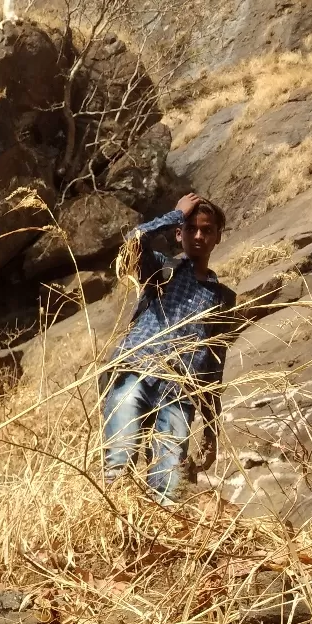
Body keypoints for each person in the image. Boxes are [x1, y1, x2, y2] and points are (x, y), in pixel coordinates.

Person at [102, 193, 236, 506]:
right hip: (137, 370)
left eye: (207, 230)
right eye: (191, 228)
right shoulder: (162, 270)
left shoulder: (222, 298)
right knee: (118, 462)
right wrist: (175, 213)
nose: (199, 235)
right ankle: (115, 536)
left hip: (179, 391)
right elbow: (133, 243)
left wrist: (210, 426)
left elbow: (214, 365)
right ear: (179, 233)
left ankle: (158, 546)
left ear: (217, 237)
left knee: (168, 486)